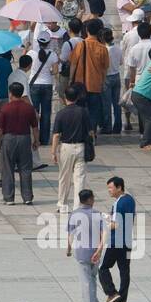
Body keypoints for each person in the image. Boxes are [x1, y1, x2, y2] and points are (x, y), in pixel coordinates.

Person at [52, 83, 91, 213]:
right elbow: (90, 132)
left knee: (64, 177)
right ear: (77, 97)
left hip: (66, 147)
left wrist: (53, 152)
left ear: (65, 97)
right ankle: (78, 207)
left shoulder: (61, 114)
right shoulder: (83, 112)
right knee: (79, 178)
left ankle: (62, 204)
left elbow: (57, 135)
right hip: (81, 146)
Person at [66, 188, 105, 302]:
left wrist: (69, 249)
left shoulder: (74, 214)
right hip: (95, 252)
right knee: (92, 278)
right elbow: (103, 235)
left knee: (86, 280)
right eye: (93, 198)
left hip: (82, 252)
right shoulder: (97, 214)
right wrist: (99, 250)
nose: (94, 200)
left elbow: (70, 234)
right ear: (89, 200)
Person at [99, 176, 135, 302]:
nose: (109, 190)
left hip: (116, 241)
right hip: (127, 241)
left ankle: (111, 293)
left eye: (111, 188)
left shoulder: (118, 203)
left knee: (103, 268)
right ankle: (122, 300)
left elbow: (116, 225)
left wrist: (103, 224)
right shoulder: (130, 199)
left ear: (119, 188)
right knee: (124, 271)